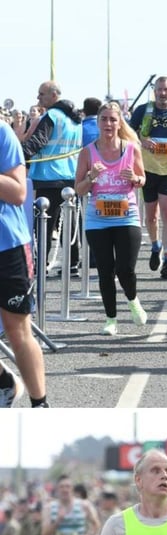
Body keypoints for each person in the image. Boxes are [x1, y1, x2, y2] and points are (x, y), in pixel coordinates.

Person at [74, 101, 150, 337]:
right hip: (98, 218)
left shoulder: (131, 149)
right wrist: (92, 178)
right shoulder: (88, 152)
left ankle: (133, 299)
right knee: (105, 270)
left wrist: (135, 178)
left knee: (125, 268)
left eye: (112, 120)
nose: (108, 124)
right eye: (104, 119)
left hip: (126, 216)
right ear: (97, 122)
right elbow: (79, 189)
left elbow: (142, 179)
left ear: (120, 123)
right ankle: (111, 319)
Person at [0, 118, 48, 407]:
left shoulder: (2, 133)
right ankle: (5, 381)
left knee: (17, 329)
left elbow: (18, 192)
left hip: (8, 246)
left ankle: (39, 403)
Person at [128, 76, 167, 279]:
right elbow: (127, 133)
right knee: (151, 216)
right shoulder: (143, 110)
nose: (163, 93)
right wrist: (142, 140)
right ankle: (156, 245)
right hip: (147, 169)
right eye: (160, 89)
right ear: (155, 91)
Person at [23, 81, 83, 275]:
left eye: (41, 94)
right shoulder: (74, 119)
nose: (38, 98)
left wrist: (15, 156)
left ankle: (41, 265)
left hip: (49, 176)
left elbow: (37, 141)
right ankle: (72, 263)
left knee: (45, 223)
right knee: (68, 222)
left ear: (54, 95)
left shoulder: (52, 116)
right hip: (70, 176)